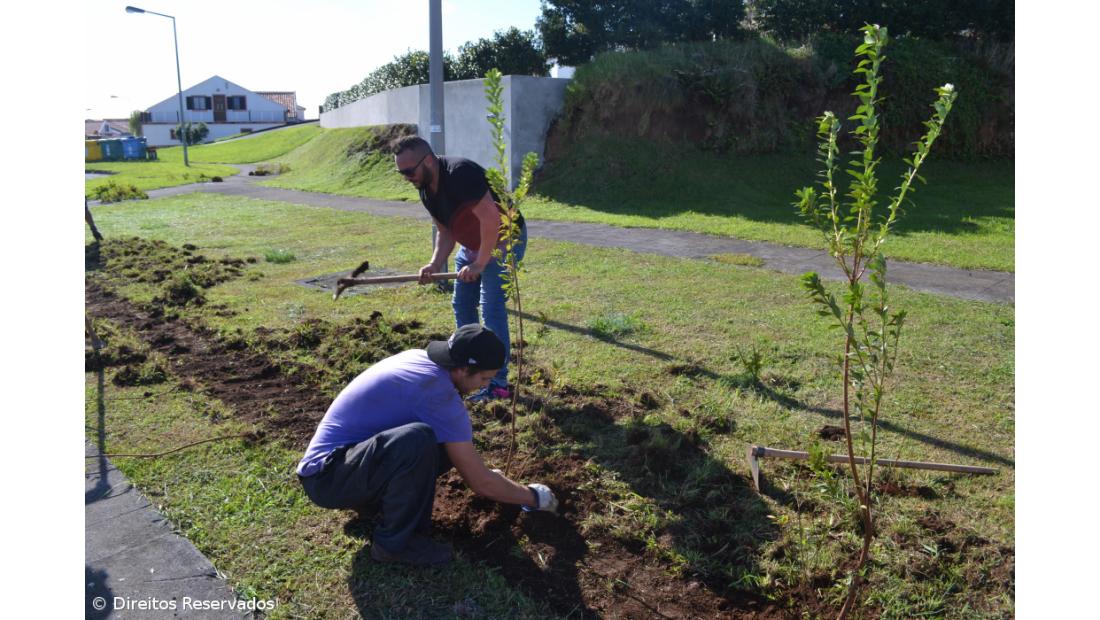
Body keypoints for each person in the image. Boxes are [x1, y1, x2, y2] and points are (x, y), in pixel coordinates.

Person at [296, 324, 558, 566]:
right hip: (327, 477)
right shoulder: (439, 395)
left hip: (344, 464)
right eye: (484, 379)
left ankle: (374, 508)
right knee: (419, 440)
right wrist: (533, 497)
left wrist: (491, 477)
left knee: (439, 445)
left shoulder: (420, 360)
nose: (485, 386)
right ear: (463, 369)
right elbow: (481, 483)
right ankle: (396, 545)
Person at [392, 136, 528, 402]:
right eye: (401, 173)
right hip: (471, 244)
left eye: (409, 171)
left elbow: (491, 219)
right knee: (463, 305)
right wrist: (434, 263)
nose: (406, 177)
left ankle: (497, 383)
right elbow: (445, 231)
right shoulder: (425, 189)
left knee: (491, 308)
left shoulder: (460, 173)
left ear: (428, 160)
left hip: (504, 240)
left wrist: (480, 262)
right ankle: (468, 368)